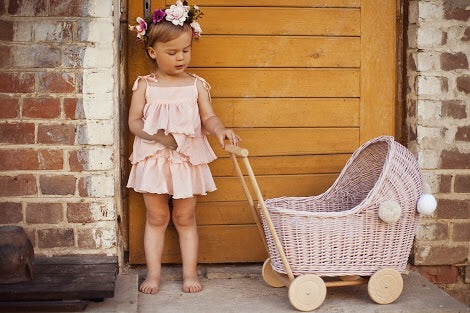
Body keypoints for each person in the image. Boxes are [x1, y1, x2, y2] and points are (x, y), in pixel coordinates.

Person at [127, 1, 240, 294]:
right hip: (153, 158)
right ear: (153, 52)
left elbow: (208, 117)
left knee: (184, 217)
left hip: (186, 159)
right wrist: (157, 136)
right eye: (172, 52)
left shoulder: (196, 85)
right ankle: (153, 275)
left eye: (186, 50)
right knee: (157, 217)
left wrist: (220, 131)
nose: (181, 58)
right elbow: (134, 123)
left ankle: (190, 274)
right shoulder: (145, 85)